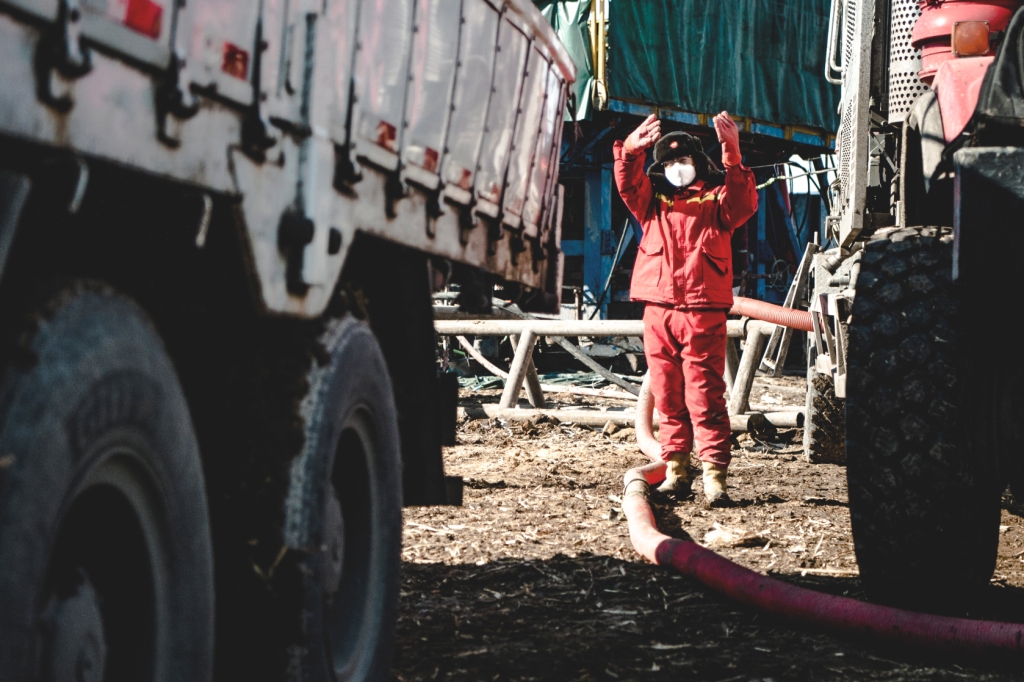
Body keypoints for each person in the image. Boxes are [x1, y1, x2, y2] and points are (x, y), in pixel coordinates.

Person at [613, 112, 758, 506]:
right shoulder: (653, 202)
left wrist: (732, 152)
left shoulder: (718, 202)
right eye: (670, 163)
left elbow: (744, 201)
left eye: (684, 161)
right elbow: (627, 183)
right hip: (659, 310)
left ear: (698, 164)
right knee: (666, 393)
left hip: (702, 311)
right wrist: (629, 151)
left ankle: (714, 476)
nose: (677, 168)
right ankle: (676, 470)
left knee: (706, 394)